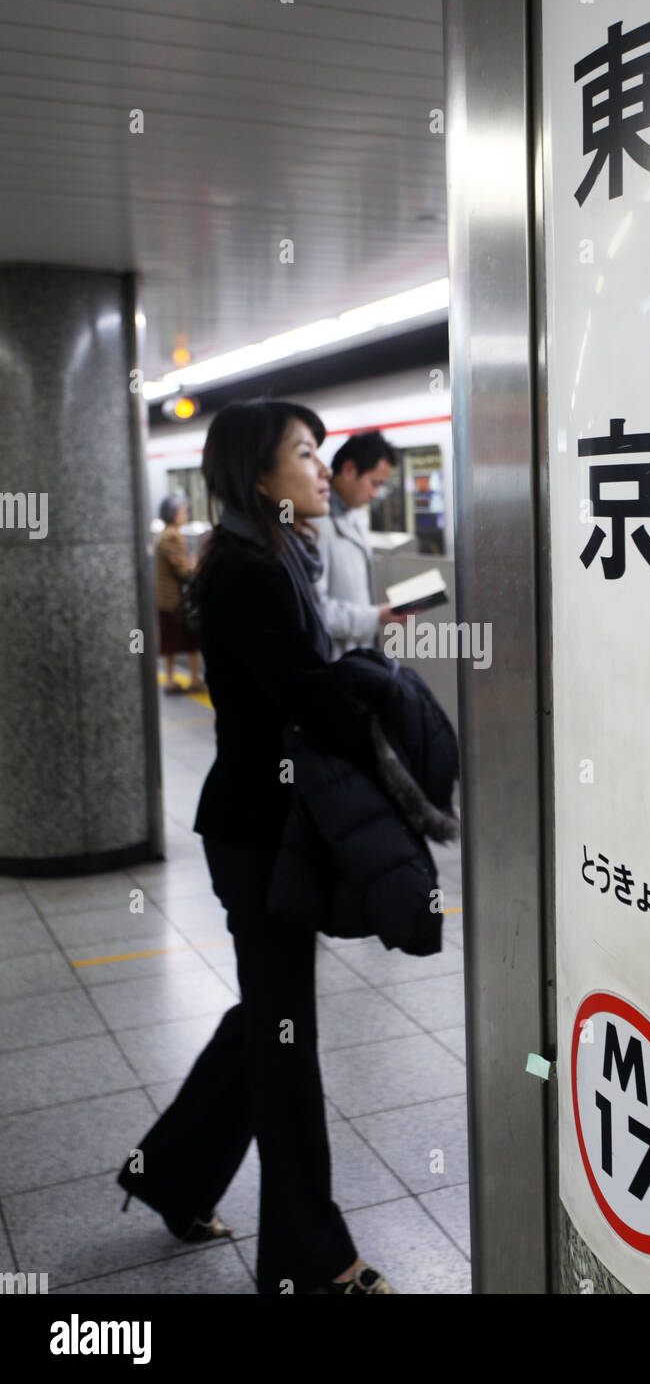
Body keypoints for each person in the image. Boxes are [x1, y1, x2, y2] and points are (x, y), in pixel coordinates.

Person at [118, 400, 394, 1295]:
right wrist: (391, 718)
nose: (323, 469)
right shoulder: (245, 571)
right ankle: (316, 1263)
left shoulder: (273, 557)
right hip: (257, 837)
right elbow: (307, 695)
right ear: (258, 475)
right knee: (285, 1045)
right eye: (306, 453)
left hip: (269, 832)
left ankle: (168, 1173)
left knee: (265, 1021)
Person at [312, 430, 409, 659]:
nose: (375, 494)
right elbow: (316, 610)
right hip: (334, 660)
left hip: (358, 656)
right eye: (374, 483)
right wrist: (376, 617)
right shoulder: (315, 524)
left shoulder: (355, 515)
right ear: (348, 470)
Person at [154, 493, 205, 693]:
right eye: (182, 511)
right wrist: (194, 565)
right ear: (172, 513)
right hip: (174, 600)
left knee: (172, 641)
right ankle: (189, 679)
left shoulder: (166, 534)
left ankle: (173, 679)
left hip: (168, 599)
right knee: (187, 639)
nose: (186, 514)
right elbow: (183, 571)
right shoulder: (172, 536)